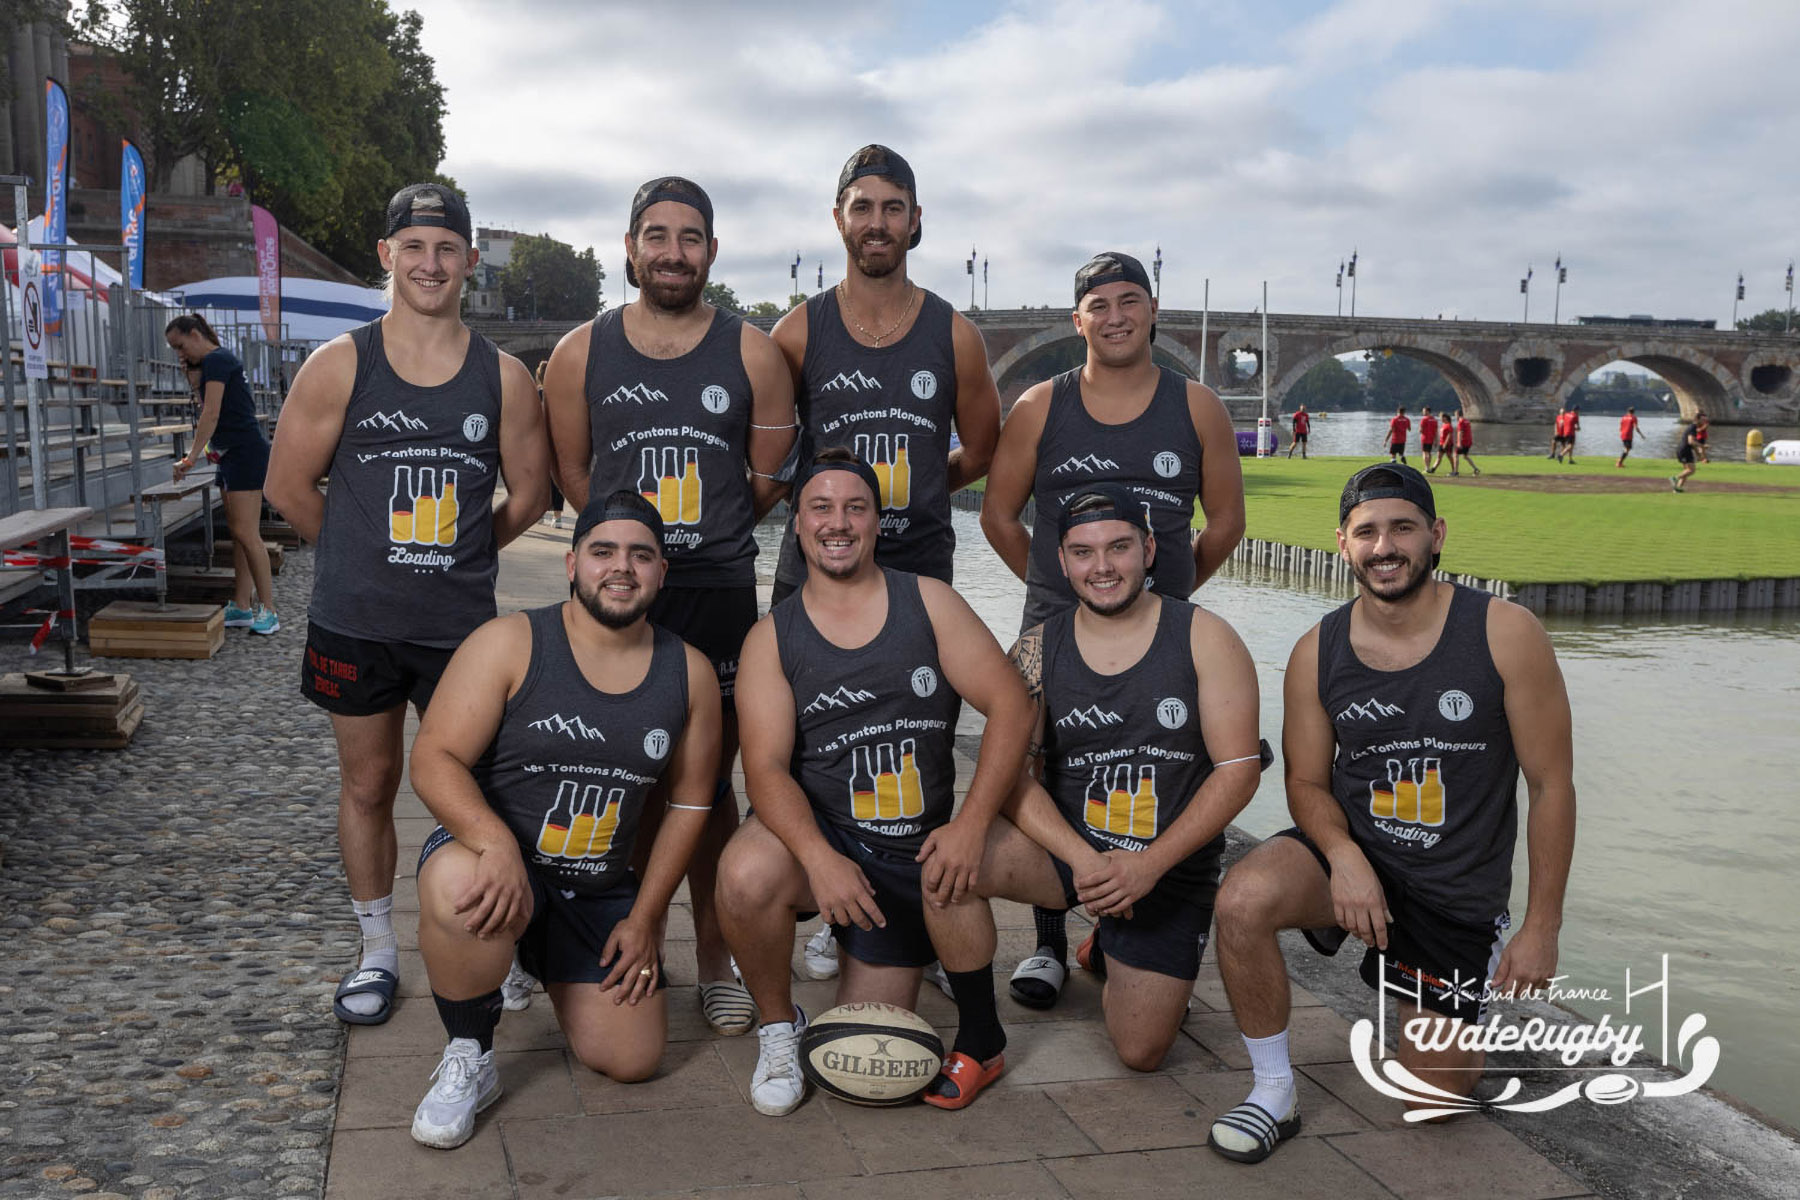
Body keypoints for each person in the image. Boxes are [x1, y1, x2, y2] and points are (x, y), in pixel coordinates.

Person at [1207, 464, 1574, 1164]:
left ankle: (1453, 1000)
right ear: (1343, 543)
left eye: (1402, 528)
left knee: (1432, 1100)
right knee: (1241, 900)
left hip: (1452, 886)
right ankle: (1273, 1090)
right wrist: (1345, 858)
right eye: (1367, 532)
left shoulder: (1505, 632)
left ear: (1436, 535)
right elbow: (1306, 783)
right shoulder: (1317, 650)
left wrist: (1542, 927)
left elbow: (1551, 785)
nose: (1385, 547)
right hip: (1356, 853)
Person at [265, 182, 551, 1026]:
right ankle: (376, 947)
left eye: (447, 249)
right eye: (415, 248)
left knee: (482, 787)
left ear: (470, 261)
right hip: (355, 623)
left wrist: (464, 550)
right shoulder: (341, 364)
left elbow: (532, 495)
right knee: (369, 784)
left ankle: (501, 940)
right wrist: (362, 552)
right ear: (387, 255)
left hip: (458, 629)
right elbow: (286, 485)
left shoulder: (502, 377)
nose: (431, 264)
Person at [541, 176, 797, 1035]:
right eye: (657, 235)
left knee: (709, 787)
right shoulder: (580, 352)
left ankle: (717, 958)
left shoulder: (752, 352)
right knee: (612, 772)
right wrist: (627, 554)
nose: (673, 252)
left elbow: (768, 477)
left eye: (690, 238)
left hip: (716, 593)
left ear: (712, 251)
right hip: (616, 599)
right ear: (630, 247)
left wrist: (707, 533)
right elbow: (574, 474)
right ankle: (618, 937)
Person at [715, 449, 1034, 1116]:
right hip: (831, 837)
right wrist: (818, 858)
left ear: (877, 523)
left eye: (855, 508)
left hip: (914, 851)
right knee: (745, 873)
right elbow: (765, 769)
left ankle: (917, 950)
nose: (838, 522)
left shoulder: (929, 602)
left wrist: (971, 824)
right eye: (821, 508)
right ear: (797, 524)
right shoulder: (772, 637)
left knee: (872, 1056)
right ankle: (778, 1026)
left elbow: (1010, 705)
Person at [405, 491, 721, 1149]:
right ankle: (470, 1050)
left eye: (641, 555)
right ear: (573, 564)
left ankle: (532, 952)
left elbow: (691, 806)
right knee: (463, 890)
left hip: (596, 886)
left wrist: (646, 919)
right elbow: (434, 759)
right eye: (603, 551)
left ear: (662, 571)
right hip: (497, 860)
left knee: (633, 1059)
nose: (622, 567)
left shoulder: (688, 672)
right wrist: (494, 843)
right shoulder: (509, 643)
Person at [978, 250, 1244, 1008]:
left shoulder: (1197, 407)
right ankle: (1048, 944)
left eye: (1130, 301)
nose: (1116, 316)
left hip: (1161, 633)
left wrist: (1172, 596)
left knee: (1153, 765)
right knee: (1045, 768)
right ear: (1078, 320)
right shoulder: (1041, 405)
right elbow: (999, 516)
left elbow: (1226, 522)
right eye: (1100, 305)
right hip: (1058, 625)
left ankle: (1127, 918)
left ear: (1154, 310)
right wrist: (1063, 589)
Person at [771, 144, 1003, 982]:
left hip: (918, 567)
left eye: (892, 207)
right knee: (812, 735)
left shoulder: (953, 333)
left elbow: (982, 448)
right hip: (816, 574)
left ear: (915, 220)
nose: (877, 222)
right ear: (839, 219)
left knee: (921, 737)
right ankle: (829, 899)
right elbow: (773, 454)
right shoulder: (799, 331)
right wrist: (835, 518)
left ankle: (925, 902)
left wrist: (912, 494)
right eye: (862, 207)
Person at [989, 486, 1264, 1069]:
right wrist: (1084, 860)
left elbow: (1239, 772)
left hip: (1167, 861)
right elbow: (1008, 776)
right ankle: (976, 1039)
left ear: (1149, 549)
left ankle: (1110, 945)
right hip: (1071, 851)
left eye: (1119, 547)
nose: (1103, 567)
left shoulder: (1206, 637)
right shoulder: (1036, 648)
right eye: (1083, 552)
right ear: (1062, 561)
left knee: (1140, 1052)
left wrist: (1149, 865)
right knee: (948, 868)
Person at [165, 314, 279, 635]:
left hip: (244, 453)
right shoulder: (214, 362)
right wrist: (191, 373)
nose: (180, 353)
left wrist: (190, 457)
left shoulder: (217, 360)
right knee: (239, 534)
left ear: (194, 334)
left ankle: (269, 609)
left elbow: (211, 412)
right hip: (232, 453)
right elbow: (208, 404)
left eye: (180, 346)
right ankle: (242, 604)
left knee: (247, 533)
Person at [535, 360, 565, 527]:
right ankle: (557, 517)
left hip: (539, 440)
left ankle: (540, 514)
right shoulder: (560, 394)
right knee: (556, 478)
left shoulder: (535, 395)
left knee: (540, 478)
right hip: (557, 439)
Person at [1672, 413, 1705, 492]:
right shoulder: (1693, 427)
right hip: (1684, 450)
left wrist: (1698, 455)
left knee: (1686, 471)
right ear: (1697, 419)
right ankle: (1674, 478)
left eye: (1705, 420)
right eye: (1702, 420)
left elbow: (1693, 444)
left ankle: (1677, 489)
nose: (1704, 421)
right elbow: (1691, 441)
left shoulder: (1693, 428)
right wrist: (1702, 446)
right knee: (1691, 470)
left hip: (1685, 450)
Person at [1454, 409, 1481, 475]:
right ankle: (1476, 469)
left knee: (1455, 455)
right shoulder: (1467, 421)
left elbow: (1460, 432)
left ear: (1457, 415)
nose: (1455, 417)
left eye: (1455, 415)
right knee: (1465, 456)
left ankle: (1455, 472)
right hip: (1468, 442)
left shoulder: (1461, 422)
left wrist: (1459, 443)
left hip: (1463, 442)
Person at [1418, 406, 1438, 474]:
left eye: (1424, 411)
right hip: (1431, 438)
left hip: (1425, 438)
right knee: (1429, 453)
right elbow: (1436, 431)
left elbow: (1421, 430)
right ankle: (1428, 467)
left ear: (1427, 411)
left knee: (1424, 453)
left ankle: (1426, 468)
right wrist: (1436, 440)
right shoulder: (1434, 420)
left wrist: (1420, 431)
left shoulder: (1424, 419)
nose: (1423, 412)